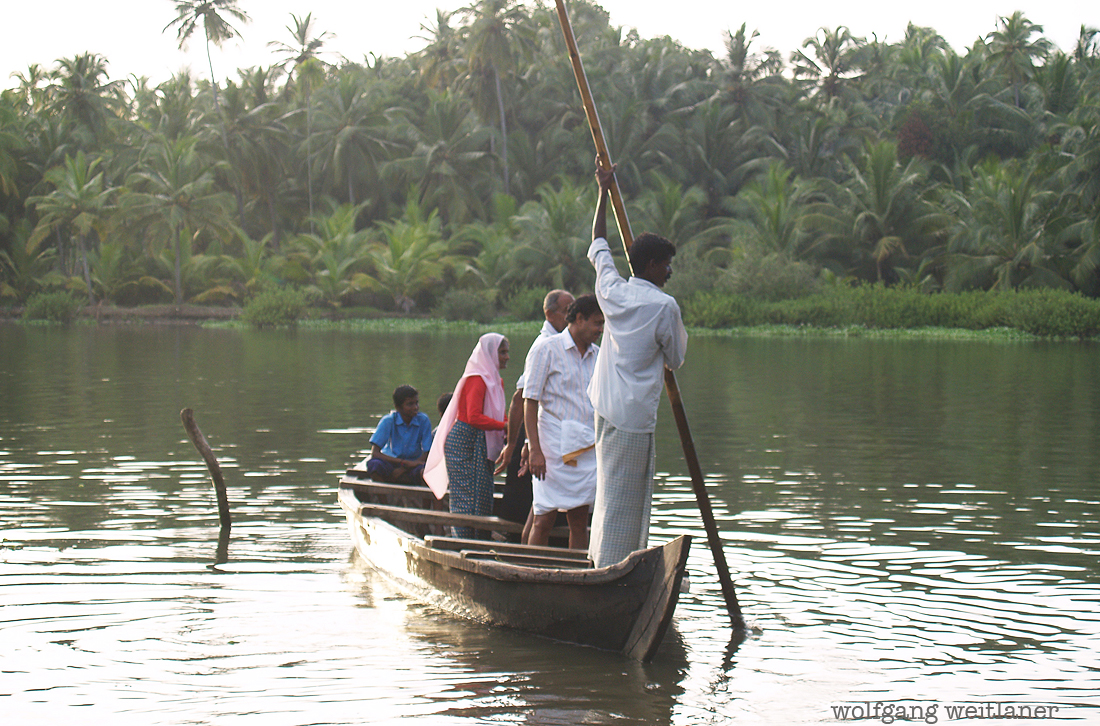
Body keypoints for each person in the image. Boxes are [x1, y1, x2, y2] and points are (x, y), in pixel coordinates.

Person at [587, 163, 688, 568]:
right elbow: (676, 358)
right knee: (625, 502)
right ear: (649, 266)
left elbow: (598, 244)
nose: (669, 271)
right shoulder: (664, 306)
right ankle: (613, 569)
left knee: (609, 492)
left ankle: (602, 562)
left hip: (603, 408)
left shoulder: (611, 290)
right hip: (631, 417)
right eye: (665, 264)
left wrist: (602, 192)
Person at [524, 294, 604, 549]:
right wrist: (534, 449)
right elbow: (530, 400)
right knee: (543, 519)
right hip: (551, 447)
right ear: (579, 319)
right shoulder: (546, 348)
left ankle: (577, 575)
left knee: (580, 521)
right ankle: (529, 573)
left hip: (585, 448)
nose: (600, 330)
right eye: (596, 323)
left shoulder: (599, 355)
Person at [497, 289, 575, 541]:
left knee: (542, 508)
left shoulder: (569, 344)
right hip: (538, 435)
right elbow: (520, 399)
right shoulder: (544, 345)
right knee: (539, 509)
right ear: (549, 314)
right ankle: (527, 553)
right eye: (567, 312)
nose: (571, 317)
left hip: (554, 436)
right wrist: (513, 444)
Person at [424, 333, 510, 539]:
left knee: (482, 497)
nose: (507, 357)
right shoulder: (477, 379)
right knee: (466, 498)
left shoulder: (495, 381)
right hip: (465, 441)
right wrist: (505, 426)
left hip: (481, 440)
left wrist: (508, 428)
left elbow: (500, 414)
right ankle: (462, 543)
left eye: (507, 352)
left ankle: (479, 542)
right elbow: (472, 417)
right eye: (503, 352)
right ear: (490, 354)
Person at [363, 385, 433, 486]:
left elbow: (427, 451)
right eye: (410, 404)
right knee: (374, 465)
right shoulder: (388, 421)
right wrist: (403, 463)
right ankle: (384, 499)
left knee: (426, 472)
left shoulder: (423, 420)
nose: (415, 407)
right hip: (392, 462)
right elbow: (375, 453)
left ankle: (425, 500)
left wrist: (406, 467)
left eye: (416, 403)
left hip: (415, 463)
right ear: (398, 407)